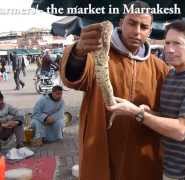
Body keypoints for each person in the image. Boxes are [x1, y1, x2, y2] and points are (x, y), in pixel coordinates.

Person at [59, 1, 169, 179]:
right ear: (121, 23)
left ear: (150, 31)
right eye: (132, 23)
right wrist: (78, 53)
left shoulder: (160, 69)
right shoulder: (97, 54)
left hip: (141, 154)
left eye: (144, 26)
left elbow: (169, 114)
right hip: (100, 147)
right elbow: (73, 79)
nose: (137, 31)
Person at [108, 20, 185, 180]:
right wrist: (151, 112)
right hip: (170, 169)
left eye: (178, 43)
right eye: (167, 43)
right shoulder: (171, 76)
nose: (170, 49)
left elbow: (180, 130)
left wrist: (137, 113)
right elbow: (172, 118)